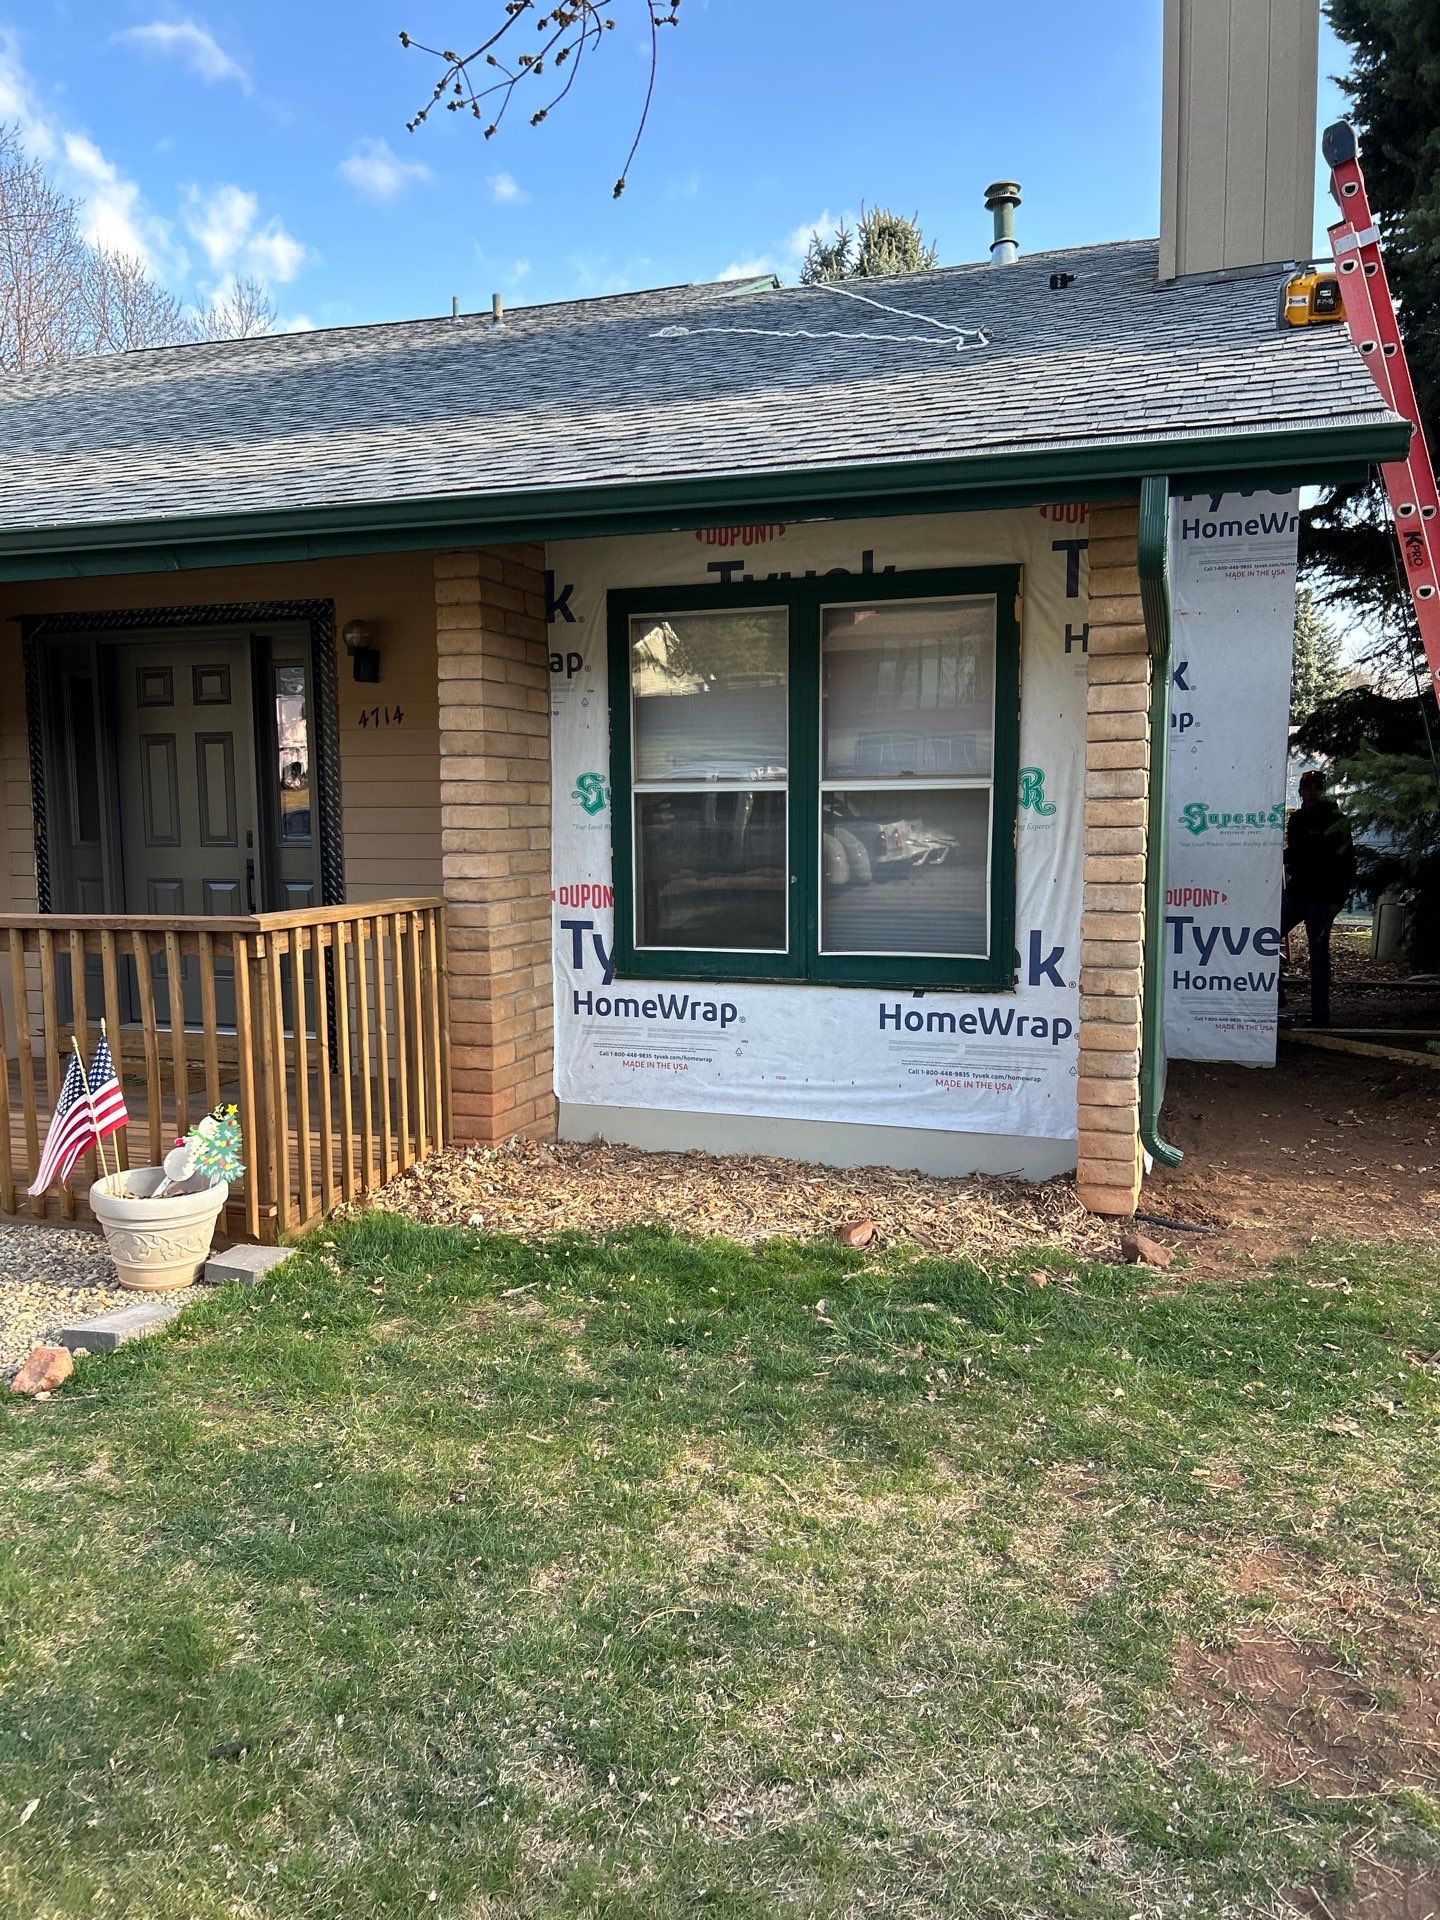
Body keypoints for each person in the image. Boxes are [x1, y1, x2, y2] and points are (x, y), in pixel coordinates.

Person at [1281, 769, 1356, 1027]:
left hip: (1323, 899)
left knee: (1319, 956)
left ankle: (1320, 1016)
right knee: (1265, 936)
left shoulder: (1338, 821)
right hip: (1297, 894)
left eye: (1317, 787)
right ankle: (1274, 993)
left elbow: (1347, 864)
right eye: (1307, 787)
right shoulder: (1297, 820)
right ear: (1301, 791)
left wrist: (1338, 900)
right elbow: (1295, 854)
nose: (1312, 792)